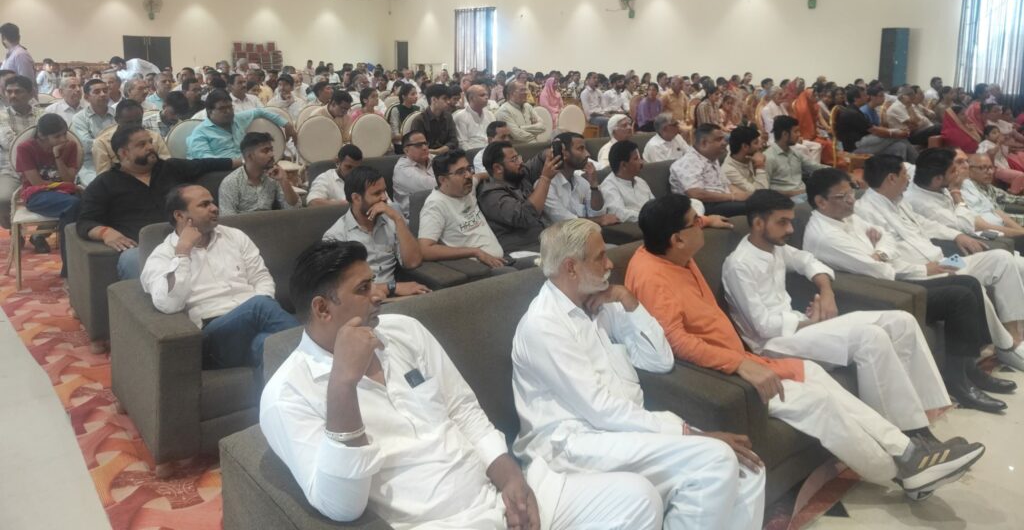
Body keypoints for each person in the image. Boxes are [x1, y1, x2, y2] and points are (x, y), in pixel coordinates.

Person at [261, 240, 654, 529]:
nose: (379, 294)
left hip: (495, 494)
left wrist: (511, 478)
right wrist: (342, 385)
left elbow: (464, 410)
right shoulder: (288, 394)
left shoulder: (403, 331)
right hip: (441, 523)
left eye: (373, 282)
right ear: (322, 308)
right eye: (363, 289)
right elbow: (341, 506)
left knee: (638, 499)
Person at [628, 194, 986, 497]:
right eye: (695, 222)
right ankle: (902, 471)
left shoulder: (671, 248)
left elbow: (692, 225)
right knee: (819, 403)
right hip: (727, 372)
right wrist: (739, 365)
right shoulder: (652, 276)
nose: (701, 224)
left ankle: (909, 448)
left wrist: (706, 219)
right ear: (678, 239)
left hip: (742, 357)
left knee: (813, 373)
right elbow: (675, 341)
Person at [513, 218, 767, 530]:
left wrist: (628, 300)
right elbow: (601, 409)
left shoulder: (601, 301)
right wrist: (688, 433)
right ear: (571, 268)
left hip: (621, 431)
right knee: (716, 459)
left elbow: (660, 360)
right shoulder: (544, 325)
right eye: (600, 257)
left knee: (749, 471)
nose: (610, 264)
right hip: (575, 443)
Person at [722, 190, 968, 461]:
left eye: (791, 221)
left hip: (801, 328)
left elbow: (809, 261)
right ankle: (906, 438)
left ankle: (924, 420)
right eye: (782, 222)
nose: (790, 229)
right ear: (758, 223)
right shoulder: (739, 265)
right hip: (772, 345)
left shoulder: (776, 248)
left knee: (902, 321)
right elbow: (762, 326)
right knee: (870, 337)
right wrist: (807, 322)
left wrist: (826, 292)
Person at [803, 167, 1015, 412]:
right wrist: (907, 264)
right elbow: (879, 270)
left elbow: (886, 239)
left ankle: (971, 369)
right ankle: (958, 381)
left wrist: (881, 250)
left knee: (970, 282)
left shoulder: (850, 215)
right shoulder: (826, 235)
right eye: (843, 197)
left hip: (916, 267)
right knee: (960, 296)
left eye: (851, 193)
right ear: (821, 202)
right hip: (886, 289)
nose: (852, 200)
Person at [854, 154, 1024, 373]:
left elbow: (926, 225)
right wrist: (924, 269)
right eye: (905, 175)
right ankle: (1007, 347)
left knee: (1001, 259)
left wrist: (956, 236)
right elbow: (881, 258)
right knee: (971, 284)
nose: (909, 179)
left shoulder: (899, 201)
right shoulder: (864, 212)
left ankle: (1015, 335)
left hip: (943, 261)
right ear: (891, 178)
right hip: (922, 273)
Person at [140, 185, 298, 368]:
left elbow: (261, 277)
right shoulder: (162, 255)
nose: (214, 208)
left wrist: (258, 311)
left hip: (251, 322)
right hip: (211, 335)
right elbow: (168, 304)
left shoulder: (235, 236)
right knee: (260, 306)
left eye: (213, 202)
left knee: (265, 344)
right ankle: (320, 352)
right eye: (204, 204)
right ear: (179, 215)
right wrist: (183, 253)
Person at [77, 125, 236, 280]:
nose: (150, 147)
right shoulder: (105, 183)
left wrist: (244, 162)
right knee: (132, 259)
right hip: (142, 248)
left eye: (150, 142)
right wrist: (106, 233)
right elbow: (85, 222)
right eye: (142, 144)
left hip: (185, 240)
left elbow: (209, 164)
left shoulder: (170, 168)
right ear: (124, 153)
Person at [322, 166, 428, 299]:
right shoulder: (336, 236)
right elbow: (340, 288)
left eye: (384, 191)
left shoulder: (391, 220)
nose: (384, 198)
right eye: (377, 194)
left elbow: (413, 262)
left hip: (393, 299)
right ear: (356, 198)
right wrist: (392, 287)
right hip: (360, 301)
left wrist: (398, 219)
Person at [418, 150, 509, 270]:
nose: (468, 175)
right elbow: (425, 249)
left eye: (468, 169)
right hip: (480, 269)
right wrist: (474, 252)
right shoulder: (435, 205)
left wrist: (498, 175)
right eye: (460, 172)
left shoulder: (467, 187)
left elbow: (478, 176)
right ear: (443, 180)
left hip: (502, 259)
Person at [14, 113, 80, 275]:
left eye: (64, 134)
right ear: (42, 135)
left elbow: (69, 179)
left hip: (66, 193)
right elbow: (37, 183)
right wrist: (63, 186)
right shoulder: (25, 148)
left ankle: (74, 267)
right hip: (36, 195)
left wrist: (57, 156)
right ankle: (71, 269)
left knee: (86, 205)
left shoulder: (70, 146)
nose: (63, 139)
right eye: (57, 136)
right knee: (75, 205)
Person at [477, 140, 557, 251]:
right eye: (514, 160)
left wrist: (551, 153)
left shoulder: (518, 176)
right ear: (498, 168)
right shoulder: (490, 195)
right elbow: (526, 216)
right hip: (521, 249)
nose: (521, 162)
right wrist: (546, 178)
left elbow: (539, 159)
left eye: (518, 157)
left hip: (544, 241)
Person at [528, 132, 618, 226]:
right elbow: (564, 221)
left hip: (588, 232)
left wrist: (594, 185)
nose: (588, 154)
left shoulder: (582, 182)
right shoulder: (546, 187)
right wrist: (599, 220)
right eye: (581, 149)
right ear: (564, 153)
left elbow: (597, 214)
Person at [186, 89, 295, 159]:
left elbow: (259, 111)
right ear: (210, 112)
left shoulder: (237, 119)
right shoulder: (200, 133)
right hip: (217, 173)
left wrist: (286, 124)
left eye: (230, 107)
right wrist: (245, 163)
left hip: (245, 169)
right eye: (222, 109)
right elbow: (207, 162)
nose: (228, 111)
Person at [670, 124, 747, 216]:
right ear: (704, 143)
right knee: (754, 206)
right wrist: (733, 197)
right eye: (719, 139)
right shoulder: (687, 162)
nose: (724, 143)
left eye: (724, 139)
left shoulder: (712, 158)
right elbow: (695, 194)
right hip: (703, 207)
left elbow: (727, 185)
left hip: (722, 201)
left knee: (758, 199)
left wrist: (744, 196)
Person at [217, 131, 300, 215]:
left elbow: (294, 208)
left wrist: (284, 180)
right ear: (249, 156)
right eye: (266, 151)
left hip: (270, 222)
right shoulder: (231, 182)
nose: (272, 154)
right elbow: (228, 218)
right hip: (242, 223)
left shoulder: (274, 176)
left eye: (271, 150)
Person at [0, 75, 42, 228]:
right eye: (9, 92)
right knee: (3, 198)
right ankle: (14, 231)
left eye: (18, 91)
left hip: (41, 169)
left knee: (66, 196)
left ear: (30, 94)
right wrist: (35, 144)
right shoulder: (1, 115)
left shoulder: (42, 115)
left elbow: (48, 143)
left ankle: (40, 235)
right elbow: (9, 143)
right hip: (11, 169)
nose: (12, 95)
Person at [92, 98, 172, 175]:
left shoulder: (154, 137)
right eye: (129, 123)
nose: (134, 126)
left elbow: (166, 165)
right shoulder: (102, 143)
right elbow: (104, 175)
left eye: (138, 121)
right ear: (117, 120)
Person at [835, 85, 916, 161]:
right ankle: (917, 162)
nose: (867, 97)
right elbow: (874, 130)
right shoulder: (852, 113)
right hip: (856, 147)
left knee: (899, 147)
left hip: (865, 141)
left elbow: (877, 128)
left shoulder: (856, 110)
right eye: (864, 95)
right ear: (856, 99)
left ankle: (899, 169)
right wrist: (895, 132)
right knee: (898, 136)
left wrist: (895, 131)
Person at [764, 115, 824, 202]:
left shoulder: (795, 152)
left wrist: (838, 173)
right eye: (796, 131)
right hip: (785, 201)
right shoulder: (768, 157)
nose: (799, 135)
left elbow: (815, 167)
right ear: (785, 134)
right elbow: (764, 190)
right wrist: (792, 193)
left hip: (804, 196)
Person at [70, 78, 115, 186]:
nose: (103, 94)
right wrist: (113, 144)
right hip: (91, 163)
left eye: (105, 91)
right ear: (86, 97)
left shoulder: (117, 113)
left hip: (118, 160)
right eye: (97, 92)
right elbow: (86, 145)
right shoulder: (79, 118)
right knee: (101, 186)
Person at [598, 140, 656, 224]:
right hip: (635, 226)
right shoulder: (609, 186)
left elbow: (654, 205)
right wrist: (649, 217)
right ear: (624, 165)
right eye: (636, 159)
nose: (641, 162)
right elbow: (619, 214)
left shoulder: (640, 181)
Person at [962, 152, 1024, 221]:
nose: (990, 172)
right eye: (982, 168)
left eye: (991, 167)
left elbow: (1011, 199)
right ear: (968, 169)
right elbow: (995, 217)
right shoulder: (969, 189)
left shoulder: (986, 186)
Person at [392, 131, 436, 220]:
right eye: (418, 145)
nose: (424, 148)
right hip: (415, 218)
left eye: (425, 143)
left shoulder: (433, 158)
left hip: (435, 209)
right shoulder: (402, 169)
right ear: (406, 150)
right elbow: (432, 186)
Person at [408, 83, 458, 155]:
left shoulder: (448, 116)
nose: (448, 102)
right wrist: (436, 152)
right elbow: (418, 146)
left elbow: (454, 141)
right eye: (445, 98)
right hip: (426, 156)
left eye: (448, 99)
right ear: (434, 100)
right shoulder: (419, 120)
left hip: (447, 154)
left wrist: (439, 151)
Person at [977, 124, 1024, 194]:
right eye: (994, 133)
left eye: (998, 132)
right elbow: (990, 154)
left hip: (1004, 166)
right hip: (995, 168)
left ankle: (1014, 192)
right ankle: (1013, 194)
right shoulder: (985, 143)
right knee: (1020, 175)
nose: (997, 134)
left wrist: (1003, 143)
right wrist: (999, 143)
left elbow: (1006, 154)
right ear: (987, 136)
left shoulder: (998, 143)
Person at [723, 126, 769, 195]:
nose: (760, 146)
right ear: (745, 146)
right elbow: (760, 194)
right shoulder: (729, 171)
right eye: (756, 143)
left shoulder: (749, 157)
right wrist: (760, 167)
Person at [453, 84, 495, 151]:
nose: (486, 97)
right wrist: (478, 155)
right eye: (482, 95)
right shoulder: (460, 116)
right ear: (471, 98)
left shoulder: (490, 115)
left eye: (487, 95)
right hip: (472, 152)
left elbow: (495, 136)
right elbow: (462, 143)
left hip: (491, 151)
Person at [385, 83, 421, 150]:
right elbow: (395, 135)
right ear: (404, 96)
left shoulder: (417, 109)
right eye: (412, 94)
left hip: (416, 141)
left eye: (416, 94)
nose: (416, 96)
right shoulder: (396, 110)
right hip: (401, 143)